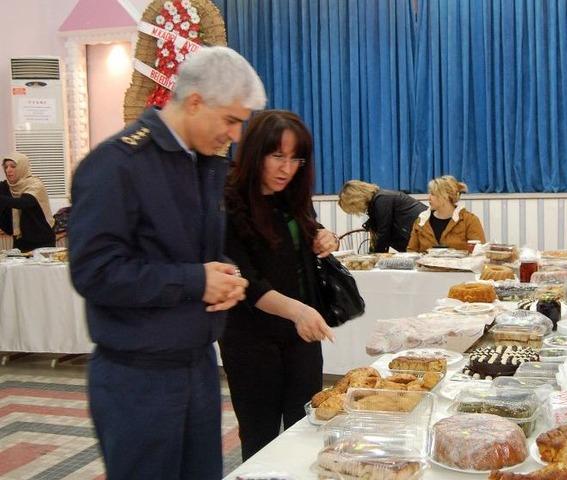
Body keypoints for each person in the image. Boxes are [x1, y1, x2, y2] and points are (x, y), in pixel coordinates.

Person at [68, 46, 265, 479]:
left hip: (196, 364)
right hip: (138, 377)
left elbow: (189, 251)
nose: (236, 135)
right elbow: (94, 271)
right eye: (230, 120)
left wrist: (225, 273)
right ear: (194, 102)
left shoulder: (202, 163)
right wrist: (196, 282)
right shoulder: (117, 164)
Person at [221, 110, 337, 460]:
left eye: (296, 159)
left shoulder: (292, 194)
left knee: (307, 427)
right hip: (250, 337)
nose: (287, 169)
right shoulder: (228, 200)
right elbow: (244, 280)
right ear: (256, 152)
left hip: (300, 335)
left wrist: (323, 236)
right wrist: (297, 311)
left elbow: (306, 232)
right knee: (260, 437)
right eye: (277, 156)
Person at [337, 180, 427, 252]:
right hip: (419, 235)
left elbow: (384, 233)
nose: (356, 212)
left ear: (355, 200)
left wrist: (373, 258)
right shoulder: (379, 199)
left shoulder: (381, 200)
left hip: (424, 235)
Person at [406, 175, 485, 252]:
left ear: (445, 196)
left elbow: (479, 252)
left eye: (433, 194)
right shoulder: (421, 221)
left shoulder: (469, 220)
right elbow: (411, 252)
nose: (428, 198)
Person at [0, 152, 55, 251]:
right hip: (20, 240)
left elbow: (23, 203)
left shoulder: (35, 185)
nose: (8, 170)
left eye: (13, 166)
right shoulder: (6, 186)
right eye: (6, 167)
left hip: (42, 240)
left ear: (22, 167)